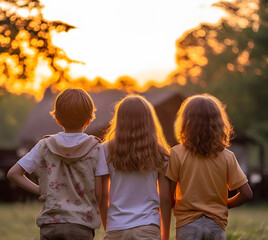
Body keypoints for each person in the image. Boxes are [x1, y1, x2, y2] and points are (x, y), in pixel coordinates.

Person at [7, 88, 109, 240]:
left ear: (58, 119)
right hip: (81, 226)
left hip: (50, 225)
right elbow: (100, 194)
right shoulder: (96, 149)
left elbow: (13, 174)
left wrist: (41, 191)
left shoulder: (44, 145)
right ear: (88, 119)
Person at [166, 94, 253, 240]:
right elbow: (247, 194)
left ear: (185, 123)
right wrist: (224, 205)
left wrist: (179, 206)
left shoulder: (176, 153)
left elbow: (168, 196)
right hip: (216, 225)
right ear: (219, 123)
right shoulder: (227, 156)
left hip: (187, 225)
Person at [100, 94, 171, 240]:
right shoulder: (161, 152)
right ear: (149, 120)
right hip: (148, 226)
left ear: (119, 120)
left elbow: (103, 196)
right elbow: (165, 199)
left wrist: (109, 226)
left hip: (116, 227)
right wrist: (165, 235)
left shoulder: (105, 150)